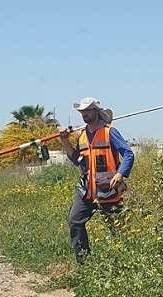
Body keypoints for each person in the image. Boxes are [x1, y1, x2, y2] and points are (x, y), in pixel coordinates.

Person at [60, 97, 135, 265]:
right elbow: (77, 160)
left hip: (109, 190)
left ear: (96, 112)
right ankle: (84, 264)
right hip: (86, 190)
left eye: (88, 110)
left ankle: (124, 265)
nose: (84, 114)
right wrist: (65, 142)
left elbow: (128, 154)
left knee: (119, 230)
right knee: (74, 221)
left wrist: (120, 173)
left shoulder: (110, 132)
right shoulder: (81, 136)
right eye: (82, 111)